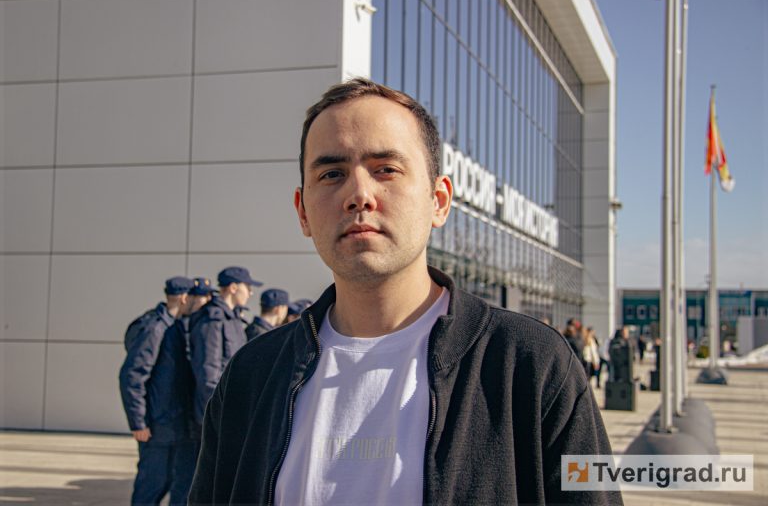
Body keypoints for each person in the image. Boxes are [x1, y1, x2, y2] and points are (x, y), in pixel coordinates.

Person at [189, 79, 620, 505]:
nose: (359, 194)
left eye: (386, 170)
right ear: (302, 212)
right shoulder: (252, 376)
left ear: (439, 200)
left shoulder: (531, 364)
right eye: (332, 174)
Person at [118, 276, 194, 506]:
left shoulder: (173, 326)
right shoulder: (155, 328)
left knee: (166, 481)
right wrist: (138, 422)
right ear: (184, 298)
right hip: (155, 425)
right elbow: (132, 375)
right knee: (151, 485)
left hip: (169, 423)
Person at [188, 266, 261, 432]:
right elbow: (208, 372)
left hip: (232, 408)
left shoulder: (233, 319)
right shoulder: (212, 321)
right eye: (247, 287)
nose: (250, 293)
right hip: (218, 415)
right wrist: (221, 413)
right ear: (233, 288)